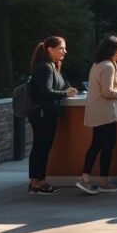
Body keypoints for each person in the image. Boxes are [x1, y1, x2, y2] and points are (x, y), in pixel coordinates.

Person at [76, 36, 117, 195]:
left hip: (98, 112)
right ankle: (103, 181)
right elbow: (107, 92)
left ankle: (86, 178)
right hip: (105, 114)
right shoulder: (108, 67)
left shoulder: (98, 64)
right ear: (113, 50)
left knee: (97, 145)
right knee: (106, 146)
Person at [27, 36, 78, 194]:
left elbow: (56, 86)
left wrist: (67, 90)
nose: (65, 51)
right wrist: (65, 93)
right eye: (61, 48)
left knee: (41, 147)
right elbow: (45, 92)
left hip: (46, 113)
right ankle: (37, 183)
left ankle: (37, 182)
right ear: (50, 49)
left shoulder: (52, 66)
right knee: (41, 148)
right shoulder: (45, 67)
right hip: (43, 113)